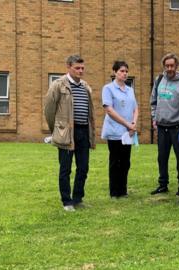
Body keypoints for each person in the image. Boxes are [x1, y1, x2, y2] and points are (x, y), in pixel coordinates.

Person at [44, 55, 96, 212]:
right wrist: (57, 130)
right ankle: (67, 201)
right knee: (65, 168)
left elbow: (90, 111)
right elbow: (49, 110)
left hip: (83, 131)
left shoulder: (85, 86)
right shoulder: (58, 85)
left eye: (82, 68)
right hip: (66, 132)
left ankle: (77, 198)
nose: (81, 71)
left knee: (83, 167)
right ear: (68, 67)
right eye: (77, 68)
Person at [150, 53, 179, 196]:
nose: (169, 68)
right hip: (162, 127)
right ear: (164, 66)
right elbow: (153, 101)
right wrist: (154, 117)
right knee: (162, 158)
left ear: (176, 66)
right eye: (167, 65)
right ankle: (163, 184)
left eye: (172, 65)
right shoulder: (159, 80)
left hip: (177, 127)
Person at [101, 60, 138, 199]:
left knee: (125, 162)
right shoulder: (108, 88)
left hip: (128, 133)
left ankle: (123, 190)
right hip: (115, 131)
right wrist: (127, 124)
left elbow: (135, 108)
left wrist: (133, 123)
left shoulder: (130, 90)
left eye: (126, 71)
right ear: (115, 72)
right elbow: (109, 110)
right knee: (115, 162)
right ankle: (114, 191)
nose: (124, 74)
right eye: (121, 71)